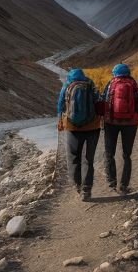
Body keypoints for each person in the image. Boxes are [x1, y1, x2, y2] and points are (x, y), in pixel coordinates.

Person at [57, 68, 101, 201]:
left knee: (73, 158)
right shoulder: (90, 84)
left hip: (72, 127)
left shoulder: (67, 85)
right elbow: (99, 101)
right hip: (93, 126)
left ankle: (77, 186)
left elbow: (60, 104)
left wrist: (60, 120)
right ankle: (86, 190)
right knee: (89, 159)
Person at [102, 64, 138, 195]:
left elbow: (104, 100)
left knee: (109, 153)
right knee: (126, 155)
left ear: (115, 72)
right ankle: (124, 185)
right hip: (130, 124)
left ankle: (111, 183)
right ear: (128, 72)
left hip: (111, 123)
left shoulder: (110, 83)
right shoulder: (133, 84)